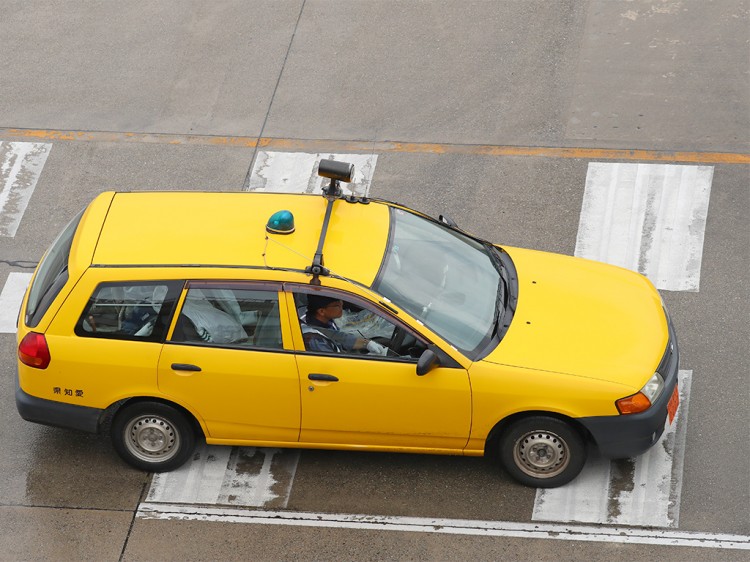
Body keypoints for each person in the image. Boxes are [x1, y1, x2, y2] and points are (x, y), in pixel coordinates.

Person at [302, 295, 387, 355]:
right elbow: (334, 365)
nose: (341, 306)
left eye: (341, 302)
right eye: (337, 305)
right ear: (321, 311)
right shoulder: (314, 339)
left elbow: (339, 337)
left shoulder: (324, 321)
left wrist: (367, 343)